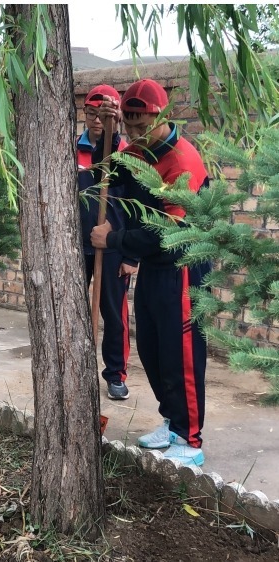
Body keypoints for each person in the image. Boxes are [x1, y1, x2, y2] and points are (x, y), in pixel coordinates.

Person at [90, 78, 210, 468]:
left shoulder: (182, 161)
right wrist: (103, 136)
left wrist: (116, 239)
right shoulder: (138, 150)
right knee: (153, 348)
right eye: (129, 125)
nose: (135, 134)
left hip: (183, 265)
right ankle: (173, 423)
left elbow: (169, 234)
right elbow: (108, 179)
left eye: (142, 126)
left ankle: (191, 440)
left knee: (182, 352)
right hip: (154, 269)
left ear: (161, 116)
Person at [78, 84, 135, 401]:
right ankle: (78, 368)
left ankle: (115, 374)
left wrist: (130, 255)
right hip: (77, 247)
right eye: (91, 112)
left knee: (114, 314)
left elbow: (134, 207)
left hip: (113, 248)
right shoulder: (73, 150)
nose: (97, 120)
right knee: (73, 310)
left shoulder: (126, 155)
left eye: (103, 114)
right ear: (86, 114)